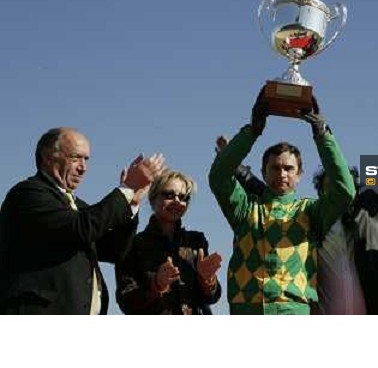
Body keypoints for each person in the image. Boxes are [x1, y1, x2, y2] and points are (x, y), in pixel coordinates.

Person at [217, 109, 378, 315]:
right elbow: (272, 200)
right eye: (327, 185)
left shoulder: (377, 211)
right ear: (320, 192)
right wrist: (238, 165)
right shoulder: (310, 217)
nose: (336, 189)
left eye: (341, 183)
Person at [209, 89, 355, 315]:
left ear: (300, 175)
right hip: (246, 309)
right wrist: (252, 131)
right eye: (275, 168)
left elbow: (345, 190)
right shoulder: (246, 208)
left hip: (293, 310)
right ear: (263, 172)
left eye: (289, 168)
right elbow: (219, 176)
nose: (282, 174)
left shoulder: (310, 212)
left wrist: (322, 135)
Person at [0, 127, 165, 314]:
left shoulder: (78, 206)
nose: (83, 167)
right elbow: (81, 228)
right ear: (47, 157)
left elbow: (113, 250)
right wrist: (126, 188)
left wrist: (132, 204)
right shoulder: (27, 195)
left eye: (86, 159)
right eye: (75, 158)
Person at [116, 169, 222, 315]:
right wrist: (156, 285)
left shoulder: (196, 242)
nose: (177, 201)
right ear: (153, 198)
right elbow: (126, 301)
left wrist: (207, 280)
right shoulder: (134, 244)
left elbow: (212, 298)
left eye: (184, 197)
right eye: (169, 195)